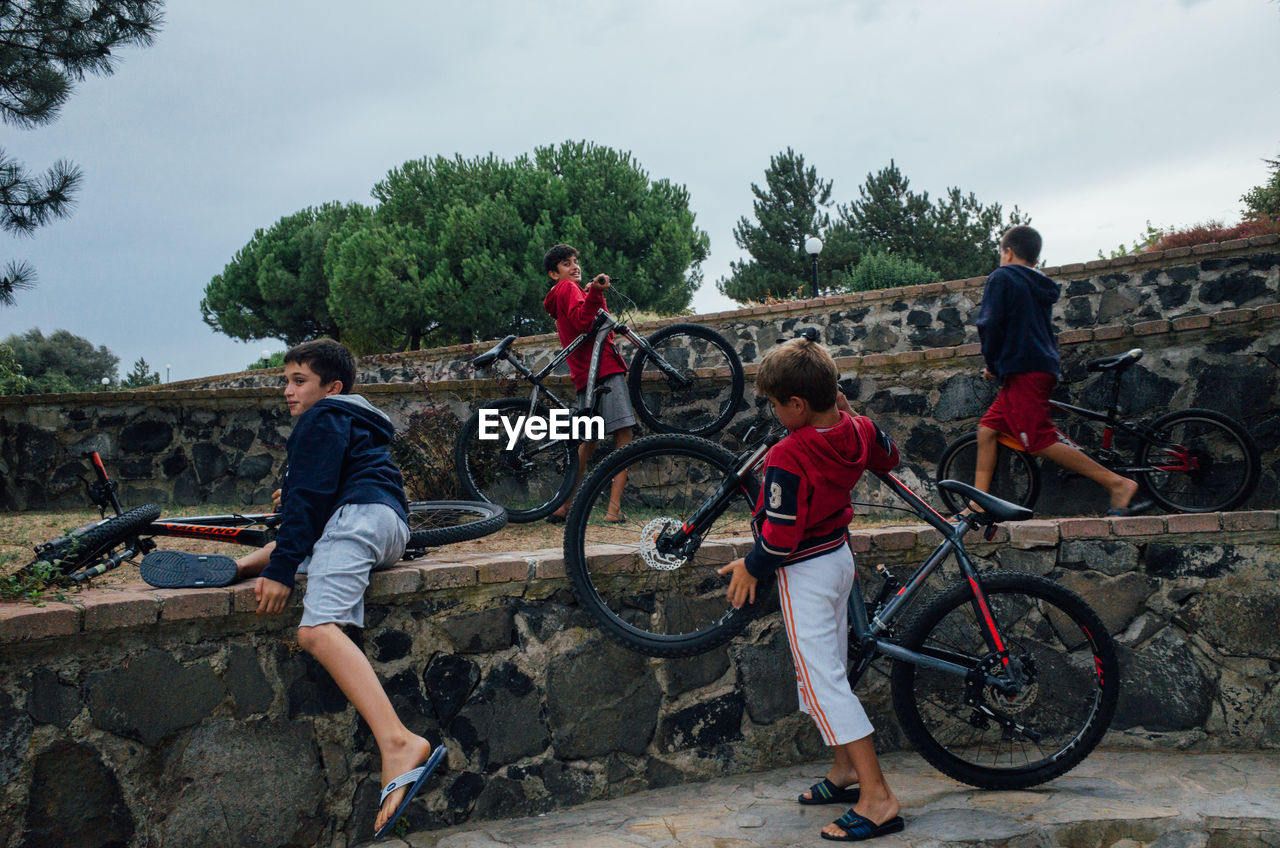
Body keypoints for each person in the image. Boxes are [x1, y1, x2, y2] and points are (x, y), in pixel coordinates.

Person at [196, 340, 443, 839]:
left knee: (317, 631)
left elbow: (308, 504)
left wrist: (284, 571)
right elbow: (316, 501)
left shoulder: (322, 417)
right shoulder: (354, 418)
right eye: (285, 380)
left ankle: (397, 742)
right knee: (305, 537)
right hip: (388, 526)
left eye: (299, 381)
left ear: (331, 387)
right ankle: (243, 565)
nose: (288, 391)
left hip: (357, 520)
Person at [718, 337, 905, 842]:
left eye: (777, 405)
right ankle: (845, 771)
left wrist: (750, 566)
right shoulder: (859, 429)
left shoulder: (788, 453)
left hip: (806, 571)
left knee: (824, 682)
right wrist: (849, 415)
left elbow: (780, 537)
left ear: (797, 405)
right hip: (838, 561)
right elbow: (890, 455)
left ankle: (878, 798)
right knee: (824, 668)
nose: (775, 414)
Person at [972, 225, 1138, 514]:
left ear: (1008, 252)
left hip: (1022, 369)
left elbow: (989, 324)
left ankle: (1117, 484)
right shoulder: (1038, 284)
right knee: (987, 430)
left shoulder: (1002, 277)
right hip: (1037, 365)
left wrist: (992, 365)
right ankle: (977, 505)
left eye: (1002, 252)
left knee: (1039, 441)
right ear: (1036, 259)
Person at [541, 243, 635, 523]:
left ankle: (563, 505)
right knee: (624, 436)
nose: (575, 267)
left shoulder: (565, 294)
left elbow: (593, 319)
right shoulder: (567, 289)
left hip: (585, 375)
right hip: (603, 367)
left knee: (589, 441)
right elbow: (584, 321)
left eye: (575, 261)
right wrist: (595, 292)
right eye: (566, 264)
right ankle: (613, 510)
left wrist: (595, 293)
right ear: (554, 274)